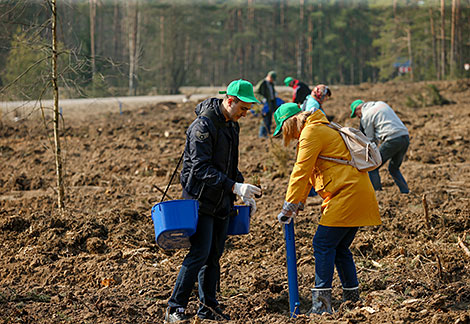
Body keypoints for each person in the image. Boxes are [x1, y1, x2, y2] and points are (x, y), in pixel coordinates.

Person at [165, 79, 262, 323]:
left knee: (214, 256)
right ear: (230, 101)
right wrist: (234, 185)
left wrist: (241, 189)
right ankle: (174, 308)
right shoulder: (203, 127)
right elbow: (200, 168)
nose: (245, 114)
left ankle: (208, 307)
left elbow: (230, 165)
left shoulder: (232, 126)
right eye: (243, 108)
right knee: (199, 253)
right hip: (200, 199)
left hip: (222, 199)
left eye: (248, 110)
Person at [273, 103, 381, 314]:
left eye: (286, 130)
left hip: (346, 195)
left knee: (322, 243)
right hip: (356, 193)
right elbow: (311, 172)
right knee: (340, 249)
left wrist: (289, 205)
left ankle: (321, 306)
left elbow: (301, 170)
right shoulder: (323, 127)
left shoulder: (311, 132)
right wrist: (299, 202)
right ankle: (351, 299)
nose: (291, 136)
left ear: (292, 122)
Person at [350, 99, 410, 193]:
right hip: (405, 137)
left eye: (356, 114)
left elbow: (370, 139)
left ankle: (378, 194)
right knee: (394, 168)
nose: (358, 116)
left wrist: (369, 154)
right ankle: (405, 192)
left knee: (373, 167)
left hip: (392, 139)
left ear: (359, 109)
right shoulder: (381, 104)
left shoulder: (366, 116)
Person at [255, 71, 277, 137]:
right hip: (264, 105)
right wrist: (262, 99)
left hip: (270, 104)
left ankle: (267, 134)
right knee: (264, 120)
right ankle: (261, 135)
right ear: (269, 77)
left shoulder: (271, 84)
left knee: (269, 120)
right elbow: (256, 93)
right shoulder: (262, 83)